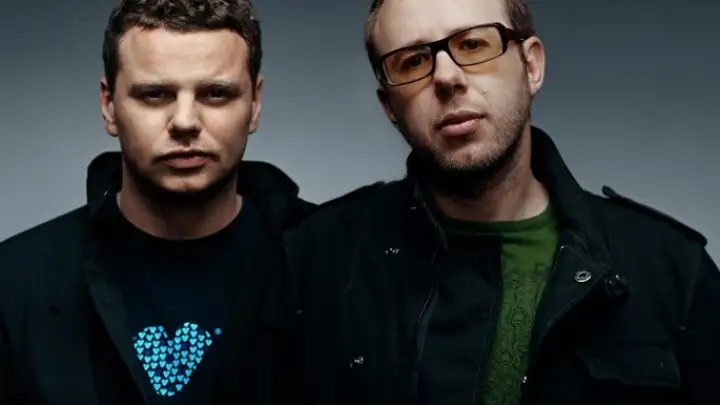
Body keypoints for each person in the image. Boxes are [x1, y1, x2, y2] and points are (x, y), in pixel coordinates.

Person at [283, 0, 720, 404]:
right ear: (389, 106)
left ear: (531, 66)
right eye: (412, 61)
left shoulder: (672, 271)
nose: (447, 77)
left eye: (473, 45)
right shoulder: (315, 262)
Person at [0, 0, 313, 404]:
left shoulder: (330, 266)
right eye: (154, 94)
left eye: (216, 93)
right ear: (109, 105)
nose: (185, 122)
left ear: (254, 103)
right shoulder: (14, 284)